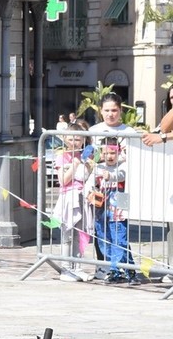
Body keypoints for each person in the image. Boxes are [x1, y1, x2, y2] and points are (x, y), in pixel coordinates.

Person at [52, 121, 93, 282]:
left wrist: (88, 164)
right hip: (68, 198)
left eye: (78, 139)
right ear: (65, 139)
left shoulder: (87, 156)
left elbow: (88, 176)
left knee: (80, 235)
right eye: (70, 139)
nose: (74, 143)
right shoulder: (62, 156)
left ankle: (78, 267)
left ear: (83, 140)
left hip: (83, 196)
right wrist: (74, 165)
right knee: (67, 235)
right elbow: (63, 180)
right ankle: (66, 269)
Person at [89, 139, 133, 284]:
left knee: (120, 241)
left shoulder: (124, 165)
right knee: (104, 241)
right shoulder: (98, 167)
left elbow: (121, 175)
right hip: (101, 211)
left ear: (118, 152)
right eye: (106, 153)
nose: (109, 156)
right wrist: (90, 191)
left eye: (113, 153)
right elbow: (89, 183)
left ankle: (121, 270)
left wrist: (111, 176)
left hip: (119, 210)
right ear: (101, 153)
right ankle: (116, 269)